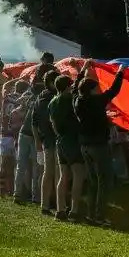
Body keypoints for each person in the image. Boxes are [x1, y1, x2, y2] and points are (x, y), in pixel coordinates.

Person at [74, 61, 127, 226]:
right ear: (91, 90)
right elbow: (114, 90)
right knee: (104, 179)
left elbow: (76, 86)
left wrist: (84, 69)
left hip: (84, 145)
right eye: (96, 88)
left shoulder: (77, 100)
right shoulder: (96, 101)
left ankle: (91, 213)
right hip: (98, 145)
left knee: (93, 181)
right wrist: (120, 72)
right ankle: (100, 215)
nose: (99, 90)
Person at [49, 73, 86, 222]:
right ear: (66, 87)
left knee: (63, 176)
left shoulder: (52, 102)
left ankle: (60, 209)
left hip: (60, 140)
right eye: (70, 85)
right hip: (71, 140)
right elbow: (77, 90)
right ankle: (75, 210)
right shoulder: (68, 99)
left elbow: (52, 121)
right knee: (78, 173)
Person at [31, 72, 59, 217]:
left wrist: (37, 140)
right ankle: (59, 205)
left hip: (45, 140)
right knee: (58, 173)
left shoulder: (38, 98)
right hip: (54, 139)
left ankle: (45, 204)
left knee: (48, 173)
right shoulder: (54, 98)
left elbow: (34, 122)